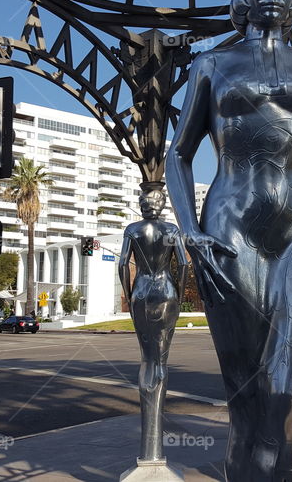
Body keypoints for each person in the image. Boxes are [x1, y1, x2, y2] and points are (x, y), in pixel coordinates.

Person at [165, 0, 292, 479]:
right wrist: (189, 229)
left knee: (286, 393)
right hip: (230, 227)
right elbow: (178, 154)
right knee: (244, 394)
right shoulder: (211, 64)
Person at [118, 183, 187, 464]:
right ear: (162, 205)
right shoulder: (171, 230)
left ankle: (149, 449)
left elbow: (123, 264)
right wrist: (178, 294)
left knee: (147, 359)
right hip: (166, 290)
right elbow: (184, 264)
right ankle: (153, 448)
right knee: (161, 360)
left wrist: (129, 294)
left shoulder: (132, 230)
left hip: (141, 292)